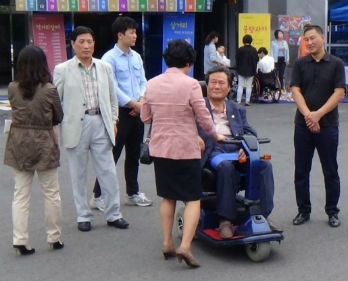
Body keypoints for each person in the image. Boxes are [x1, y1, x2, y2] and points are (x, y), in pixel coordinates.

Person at [141, 39, 225, 268]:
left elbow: (146, 117)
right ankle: (185, 246)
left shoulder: (152, 83)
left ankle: (167, 242)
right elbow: (203, 117)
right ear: (188, 63)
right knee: (192, 198)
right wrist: (215, 135)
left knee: (168, 197)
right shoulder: (191, 85)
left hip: (161, 148)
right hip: (186, 148)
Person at [53, 26, 129, 232]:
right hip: (76, 125)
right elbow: (56, 102)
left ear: (94, 44)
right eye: (81, 42)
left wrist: (113, 121)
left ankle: (113, 213)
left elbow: (113, 99)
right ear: (72, 44)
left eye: (89, 41)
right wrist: (58, 125)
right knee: (77, 173)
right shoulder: (62, 69)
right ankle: (83, 215)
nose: (86, 46)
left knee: (108, 171)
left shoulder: (104, 67)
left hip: (101, 122)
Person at [199, 66, 280, 239]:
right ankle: (225, 220)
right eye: (213, 82)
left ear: (229, 88)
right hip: (212, 149)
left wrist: (245, 148)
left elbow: (250, 132)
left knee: (264, 165)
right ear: (207, 86)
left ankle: (262, 215)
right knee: (226, 167)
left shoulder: (237, 109)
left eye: (221, 83)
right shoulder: (198, 107)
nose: (217, 86)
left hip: (236, 148)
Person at [4, 45, 64, 255]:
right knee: (51, 193)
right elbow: (59, 116)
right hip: (43, 141)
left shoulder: (12, 87)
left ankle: (20, 239)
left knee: (21, 194)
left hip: (19, 141)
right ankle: (54, 237)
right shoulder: (49, 90)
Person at [91, 16, 152, 211]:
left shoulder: (136, 56)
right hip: (119, 113)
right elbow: (112, 87)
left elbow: (143, 80)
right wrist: (132, 103)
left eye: (135, 32)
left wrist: (141, 101)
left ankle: (133, 193)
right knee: (112, 155)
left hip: (138, 111)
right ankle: (98, 196)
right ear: (120, 35)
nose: (135, 35)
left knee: (134, 154)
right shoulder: (109, 58)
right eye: (131, 32)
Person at [290, 25, 345, 228]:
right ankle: (303, 210)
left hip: (328, 125)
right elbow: (295, 90)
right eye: (307, 40)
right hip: (302, 125)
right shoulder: (300, 64)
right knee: (301, 170)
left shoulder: (336, 64)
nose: (310, 42)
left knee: (330, 170)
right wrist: (308, 116)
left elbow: (339, 92)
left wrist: (319, 115)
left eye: (313, 38)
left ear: (322, 38)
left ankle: (332, 211)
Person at [235, 34, 259, 106]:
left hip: (241, 70)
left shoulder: (240, 49)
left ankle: (238, 101)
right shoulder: (254, 50)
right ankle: (247, 101)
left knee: (240, 85)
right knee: (249, 86)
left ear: (243, 41)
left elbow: (237, 59)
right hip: (251, 70)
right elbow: (256, 59)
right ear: (251, 41)